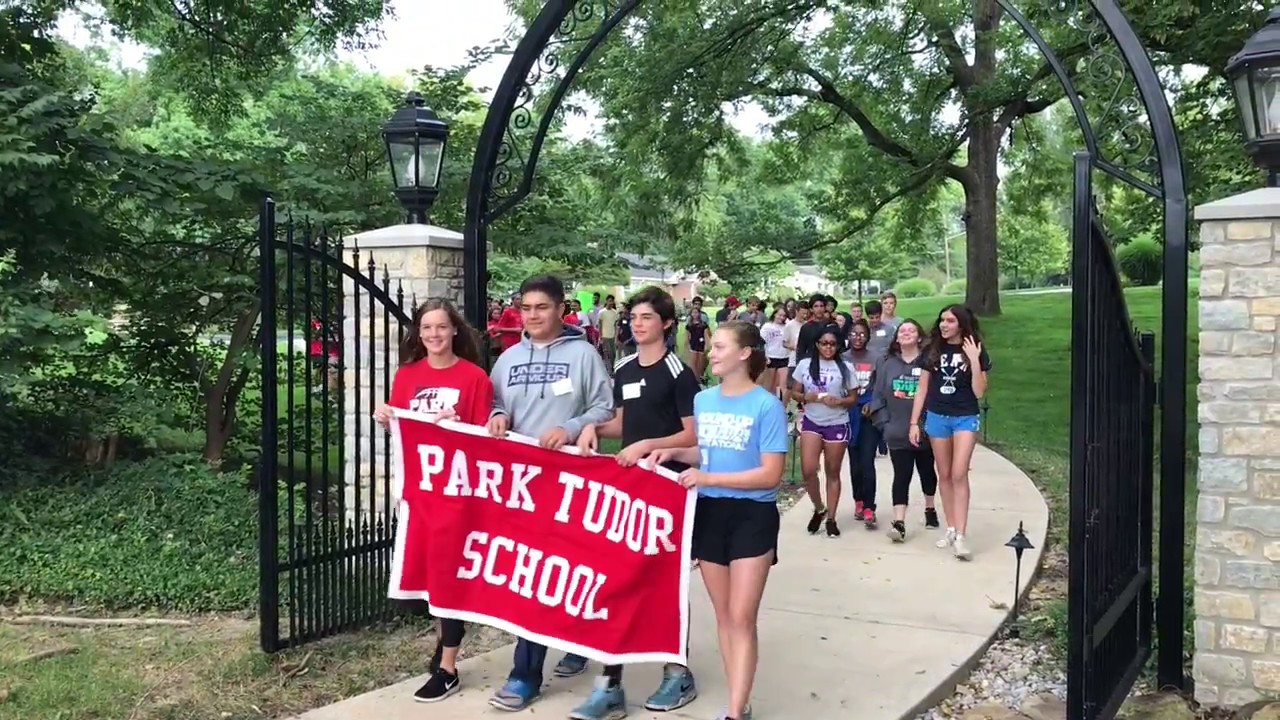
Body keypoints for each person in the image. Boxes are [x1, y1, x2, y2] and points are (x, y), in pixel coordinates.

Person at [570, 286, 702, 720]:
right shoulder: (624, 368)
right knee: (617, 580)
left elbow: (692, 435)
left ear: (666, 323)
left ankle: (677, 670)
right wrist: (587, 432)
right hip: (629, 489)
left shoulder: (679, 372)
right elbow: (623, 423)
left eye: (647, 317)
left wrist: (647, 444)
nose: (637, 323)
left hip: (668, 489)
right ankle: (610, 683)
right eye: (634, 316)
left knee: (666, 582)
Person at [486, 275, 615, 711]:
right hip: (521, 484)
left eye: (542, 307)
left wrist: (572, 427)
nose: (533, 315)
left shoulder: (583, 354)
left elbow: (603, 406)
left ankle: (569, 645)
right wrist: (499, 413)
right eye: (526, 307)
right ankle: (526, 673)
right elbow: (492, 401)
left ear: (561, 308)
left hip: (567, 483)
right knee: (531, 576)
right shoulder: (507, 359)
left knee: (564, 570)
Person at [649, 321, 787, 720]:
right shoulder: (705, 400)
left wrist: (708, 476)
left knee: (742, 617)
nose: (712, 352)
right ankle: (738, 701)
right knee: (724, 616)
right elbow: (706, 452)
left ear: (744, 353)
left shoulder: (766, 405)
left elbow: (770, 473)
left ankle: (732, 711)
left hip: (753, 515)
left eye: (721, 346)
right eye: (712, 346)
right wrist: (668, 454)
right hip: (709, 512)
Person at [374, 298, 493, 703]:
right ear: (418, 333)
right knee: (425, 575)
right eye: (427, 328)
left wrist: (458, 429)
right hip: (419, 493)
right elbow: (406, 435)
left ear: (455, 330)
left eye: (441, 327)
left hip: (456, 494)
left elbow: (485, 443)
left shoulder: (475, 377)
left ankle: (447, 667)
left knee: (449, 576)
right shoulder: (407, 376)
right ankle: (443, 646)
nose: (434, 335)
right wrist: (389, 419)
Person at [909, 304, 992, 561]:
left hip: (965, 417)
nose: (944, 325)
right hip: (937, 417)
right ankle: (952, 528)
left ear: (961, 324)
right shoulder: (932, 349)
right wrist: (914, 422)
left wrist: (975, 361)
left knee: (959, 473)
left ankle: (962, 536)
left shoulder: (975, 349)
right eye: (942, 320)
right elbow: (922, 389)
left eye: (950, 321)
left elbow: (979, 392)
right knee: (943, 474)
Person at [868, 320, 939, 542]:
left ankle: (930, 507)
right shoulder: (885, 362)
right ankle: (899, 523)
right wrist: (884, 424)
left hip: (926, 429)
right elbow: (877, 395)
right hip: (897, 430)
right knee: (902, 476)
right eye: (902, 331)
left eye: (912, 330)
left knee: (927, 471)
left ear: (919, 337)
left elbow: (936, 395)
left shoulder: (930, 363)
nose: (906, 333)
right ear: (896, 338)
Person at [790, 327, 858, 537]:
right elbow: (794, 392)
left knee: (832, 471)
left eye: (832, 344)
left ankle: (831, 518)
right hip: (812, 421)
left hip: (837, 423)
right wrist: (805, 397)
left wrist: (840, 401)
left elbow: (853, 398)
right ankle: (819, 508)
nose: (828, 347)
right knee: (809, 470)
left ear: (838, 346)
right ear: (817, 344)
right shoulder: (805, 365)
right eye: (824, 343)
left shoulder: (846, 367)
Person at [845, 319, 880, 528]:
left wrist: (874, 404)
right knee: (854, 463)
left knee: (867, 461)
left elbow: (882, 386)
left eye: (862, 334)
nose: (858, 338)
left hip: (869, 415)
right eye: (854, 334)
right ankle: (858, 500)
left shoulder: (877, 358)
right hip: (848, 415)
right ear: (848, 336)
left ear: (868, 337)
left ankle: (869, 506)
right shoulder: (842, 358)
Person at [761, 306, 789, 399]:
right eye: (780, 315)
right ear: (775, 314)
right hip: (771, 357)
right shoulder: (767, 326)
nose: (782, 317)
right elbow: (762, 342)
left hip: (784, 357)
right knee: (769, 385)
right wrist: (765, 356)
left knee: (783, 386)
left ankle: (783, 408)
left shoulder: (787, 327)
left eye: (784, 316)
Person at [686, 296, 712, 384]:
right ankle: (695, 380)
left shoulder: (704, 321)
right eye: (695, 304)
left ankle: (701, 379)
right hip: (693, 344)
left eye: (699, 304)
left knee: (701, 364)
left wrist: (708, 345)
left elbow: (707, 333)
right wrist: (687, 346)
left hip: (701, 344)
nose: (695, 314)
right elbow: (687, 336)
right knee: (692, 364)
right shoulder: (689, 323)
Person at [597, 294, 619, 366]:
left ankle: (611, 367)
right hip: (604, 336)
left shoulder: (615, 312)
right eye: (609, 301)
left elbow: (616, 325)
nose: (611, 303)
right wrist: (600, 337)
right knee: (607, 354)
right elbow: (600, 325)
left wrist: (616, 337)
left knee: (613, 354)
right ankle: (608, 370)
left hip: (612, 336)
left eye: (612, 301)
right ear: (606, 301)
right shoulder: (602, 312)